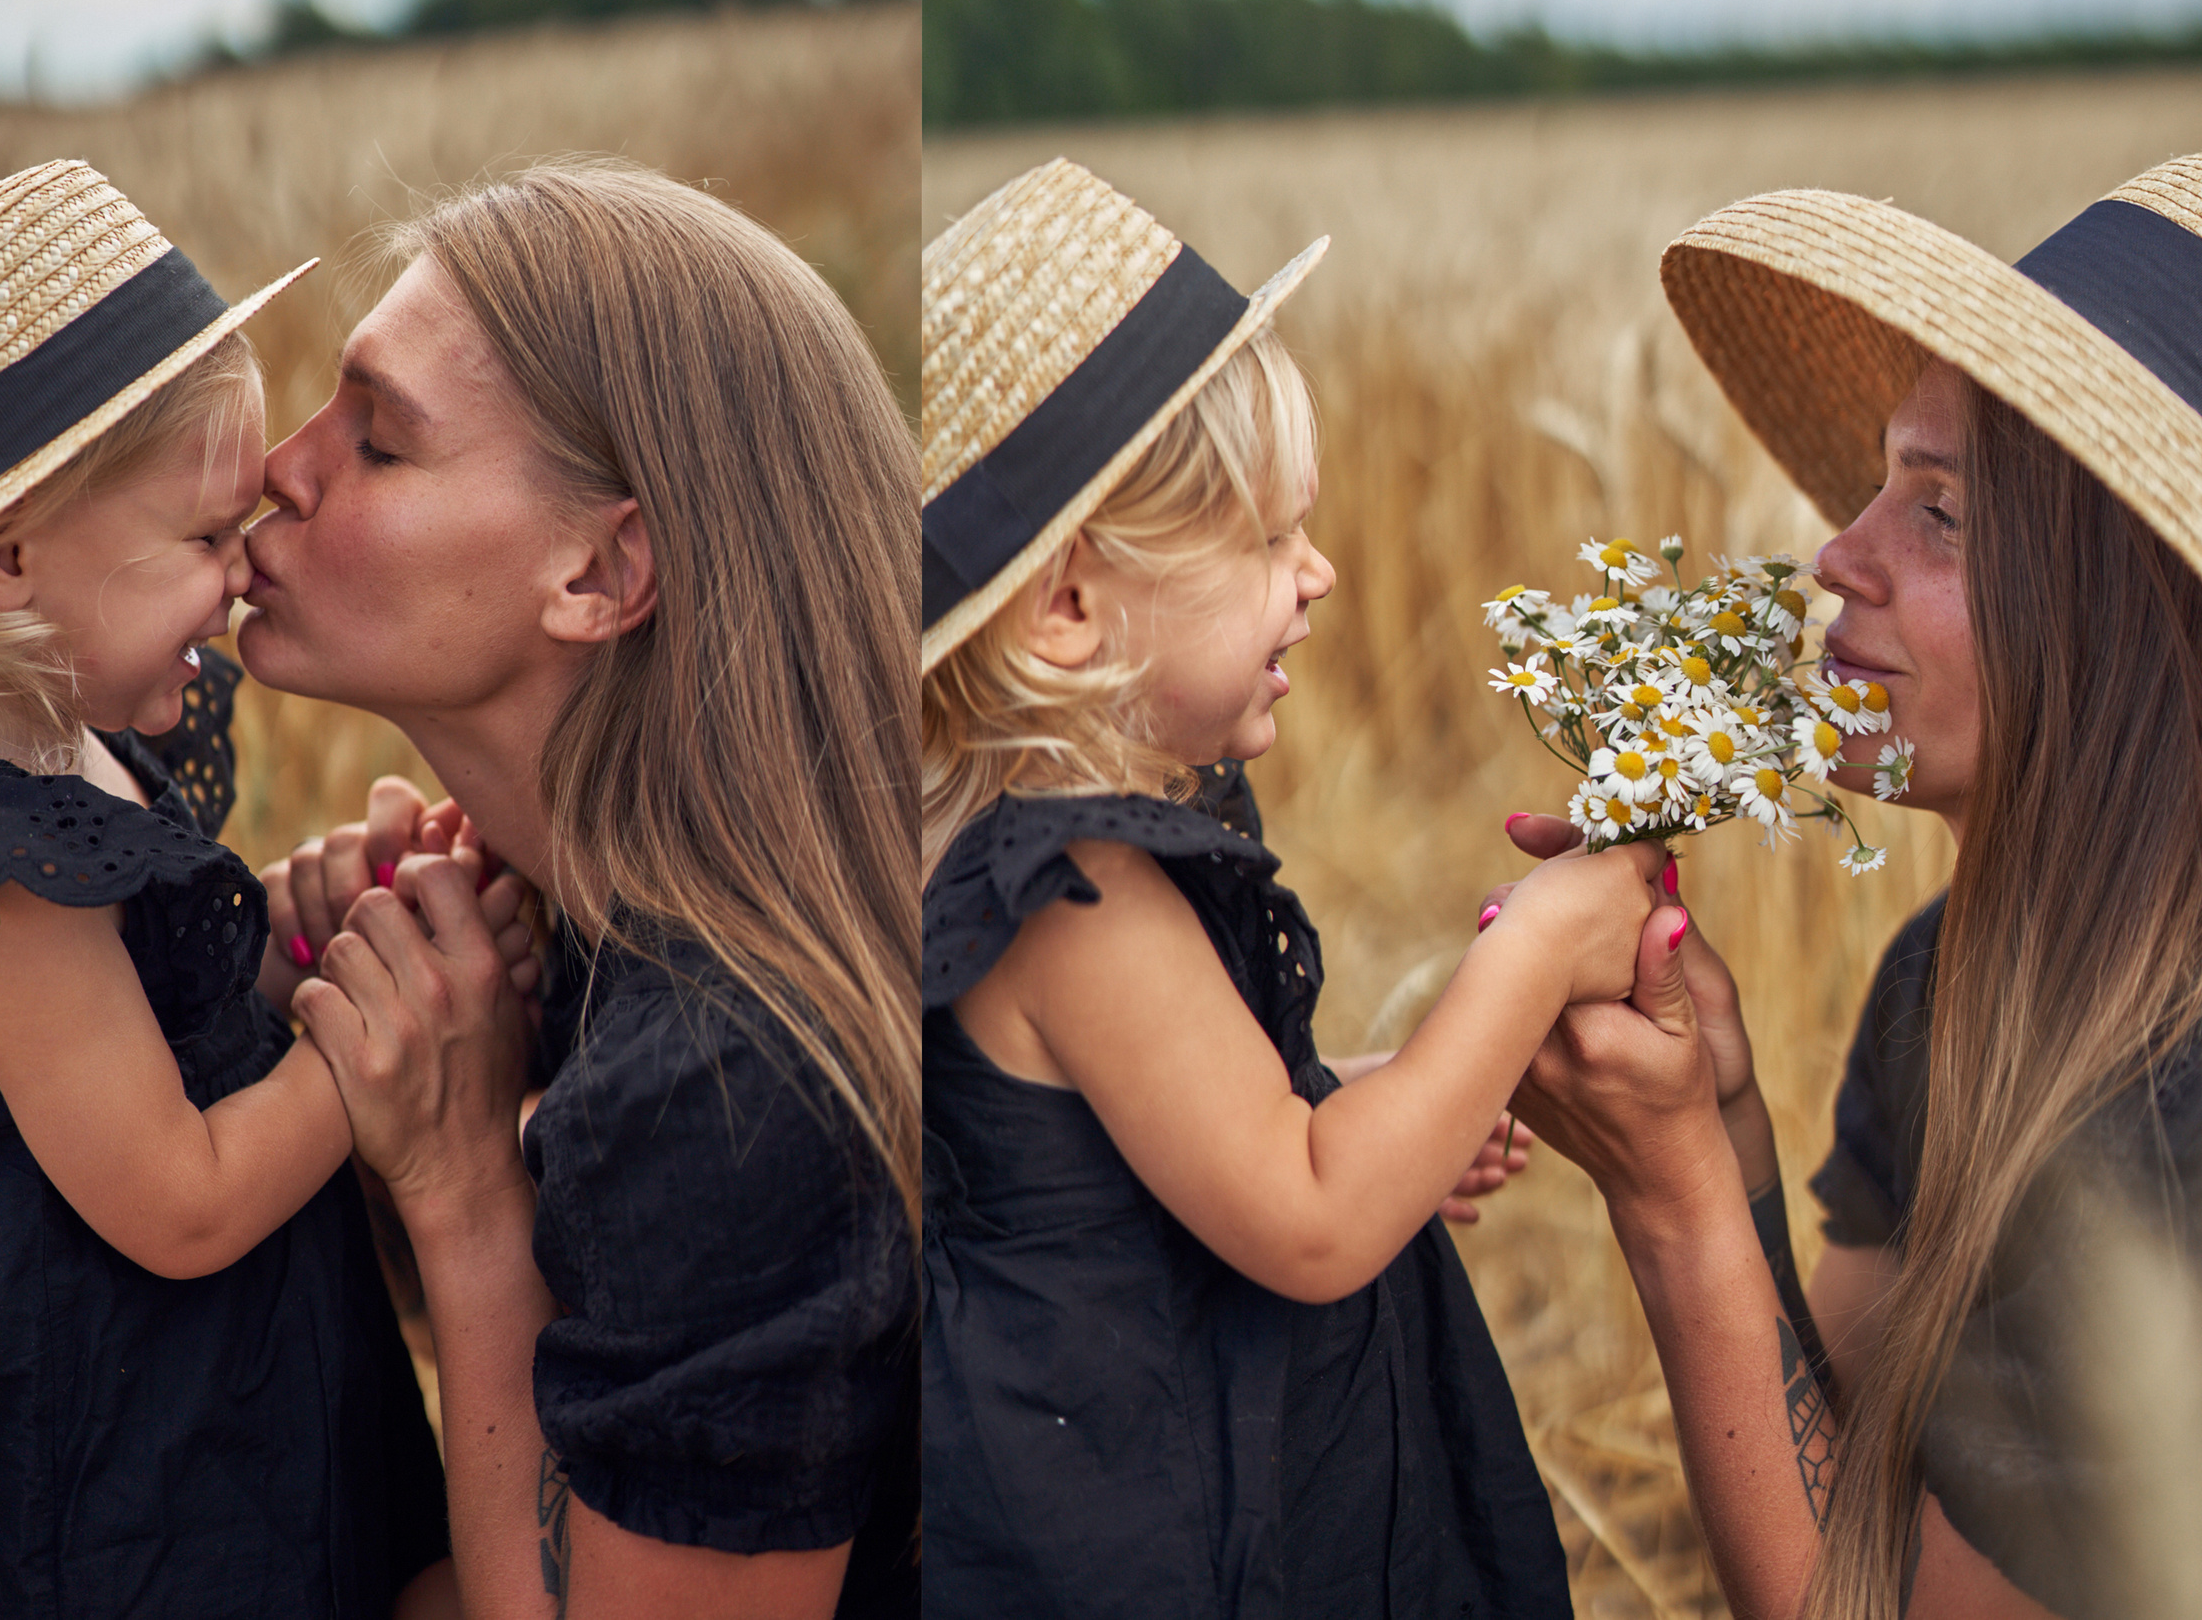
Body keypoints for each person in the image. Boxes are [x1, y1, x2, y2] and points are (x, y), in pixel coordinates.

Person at [913, 159, 1665, 1618]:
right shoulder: (1075, 900)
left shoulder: (1022, 846)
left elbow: (1202, 1137)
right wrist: (1531, 955)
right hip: (1162, 1527)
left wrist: (1385, 1104)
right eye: (1264, 538)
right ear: (1070, 608)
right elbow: (1313, 1220)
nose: (1316, 574)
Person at [0, 161, 447, 1617]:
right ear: (2, 563)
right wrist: (378, 1035)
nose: (244, 575)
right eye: (201, 541)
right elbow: (183, 1202)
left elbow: (159, 996)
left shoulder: (65, 738)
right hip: (97, 1453)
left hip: (140, 1382)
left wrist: (304, 942)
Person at [1500, 152, 2202, 1619]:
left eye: (1939, 518)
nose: (1836, 554)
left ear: (2130, 621)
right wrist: (1728, 1128)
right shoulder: (1943, 986)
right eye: (1882, 488)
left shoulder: (2173, 1118)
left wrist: (1678, 1199)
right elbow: (1850, 1487)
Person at [236, 160, 920, 1619]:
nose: (276, 468)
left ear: (602, 573)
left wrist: (465, 1181)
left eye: (377, 439)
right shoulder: (618, 936)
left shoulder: (727, 1078)